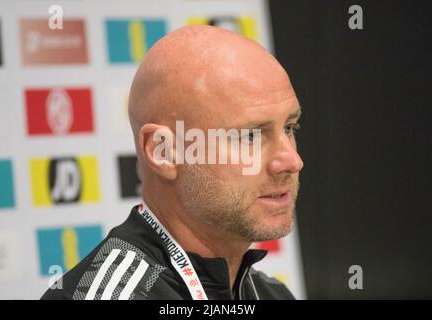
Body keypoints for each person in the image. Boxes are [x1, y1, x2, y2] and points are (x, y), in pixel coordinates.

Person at [41, 24, 303, 300]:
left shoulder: (272, 294)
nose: (291, 161)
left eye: (289, 128)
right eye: (250, 136)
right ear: (162, 152)